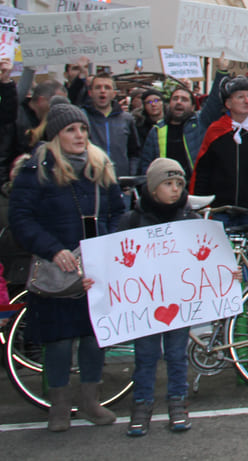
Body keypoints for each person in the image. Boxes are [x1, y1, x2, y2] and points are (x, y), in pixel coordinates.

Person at [8, 98, 124, 431]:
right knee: (58, 341)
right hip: (56, 267)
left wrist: (105, 245)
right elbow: (22, 219)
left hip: (95, 267)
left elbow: (118, 212)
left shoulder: (100, 165)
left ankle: (90, 401)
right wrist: (53, 249)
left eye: (83, 129)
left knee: (93, 337)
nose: (79, 135)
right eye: (71, 129)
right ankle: (58, 405)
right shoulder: (36, 169)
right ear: (57, 133)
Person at [122, 158, 197, 436]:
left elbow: (207, 259)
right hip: (146, 304)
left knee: (177, 355)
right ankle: (141, 406)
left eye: (179, 183)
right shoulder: (132, 221)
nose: (175, 189)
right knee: (146, 356)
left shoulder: (190, 220)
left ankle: (178, 404)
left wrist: (225, 273)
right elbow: (114, 260)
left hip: (177, 301)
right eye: (168, 184)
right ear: (153, 189)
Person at [191, 71, 248, 213]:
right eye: (240, 97)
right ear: (228, 103)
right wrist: (199, 204)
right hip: (220, 209)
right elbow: (203, 171)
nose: (247, 101)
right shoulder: (216, 131)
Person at [137, 85, 219, 179]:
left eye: (184, 99)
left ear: (193, 107)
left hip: (195, 185)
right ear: (169, 104)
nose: (179, 102)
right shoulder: (156, 130)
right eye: (175, 99)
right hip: (166, 187)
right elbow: (147, 164)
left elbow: (214, 103)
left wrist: (222, 72)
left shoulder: (200, 124)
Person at [81, 71, 142, 177]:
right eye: (98, 87)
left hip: (120, 181)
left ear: (114, 93)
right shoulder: (83, 117)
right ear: (90, 92)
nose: (102, 91)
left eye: (107, 87)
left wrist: (131, 175)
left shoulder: (126, 119)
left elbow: (134, 153)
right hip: (91, 180)